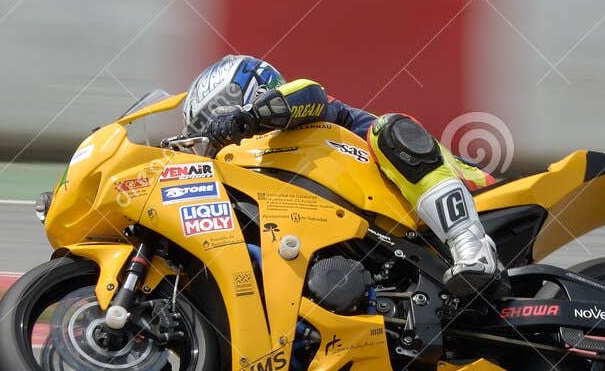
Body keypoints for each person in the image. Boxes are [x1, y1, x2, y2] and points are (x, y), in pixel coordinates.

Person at [181, 54, 505, 297]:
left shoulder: (301, 118)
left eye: (212, 125)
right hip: (397, 244)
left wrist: (247, 118)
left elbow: (311, 93)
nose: (212, 141)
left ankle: (472, 247)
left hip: (473, 190)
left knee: (388, 128)